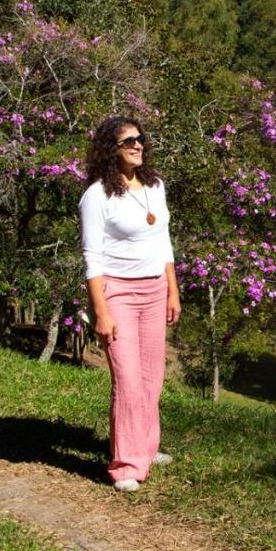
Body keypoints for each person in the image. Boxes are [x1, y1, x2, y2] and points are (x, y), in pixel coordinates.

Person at [80, 115, 181, 491]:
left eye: (140, 138)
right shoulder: (97, 196)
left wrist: (173, 290)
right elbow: (92, 257)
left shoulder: (155, 187)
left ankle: (145, 447)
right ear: (111, 150)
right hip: (117, 293)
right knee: (128, 380)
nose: (138, 145)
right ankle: (125, 465)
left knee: (152, 378)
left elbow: (163, 241)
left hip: (155, 290)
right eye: (128, 141)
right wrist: (101, 312)